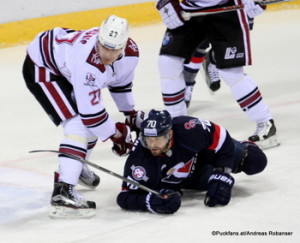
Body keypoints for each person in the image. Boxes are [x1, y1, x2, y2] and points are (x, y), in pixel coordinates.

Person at [22, 15, 144, 218]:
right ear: (99, 38)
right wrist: (116, 135)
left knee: (92, 121)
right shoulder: (87, 62)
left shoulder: (132, 53)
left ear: (124, 45)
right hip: (43, 66)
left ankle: (75, 168)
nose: (107, 53)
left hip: (66, 65)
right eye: (103, 46)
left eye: (114, 49)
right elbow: (91, 116)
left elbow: (121, 83)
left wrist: (129, 112)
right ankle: (64, 190)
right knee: (78, 123)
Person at [155, 0, 279, 149]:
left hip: (227, 9)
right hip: (189, 10)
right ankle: (177, 125)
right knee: (168, 62)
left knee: (231, 72)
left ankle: (265, 122)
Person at [117, 109, 267, 214]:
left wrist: (223, 172)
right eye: (148, 139)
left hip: (206, 154)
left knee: (255, 161)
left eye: (157, 139)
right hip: (192, 179)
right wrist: (150, 202)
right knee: (214, 192)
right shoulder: (139, 161)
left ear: (170, 134)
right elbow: (124, 197)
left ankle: (245, 146)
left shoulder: (188, 128)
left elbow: (220, 137)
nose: (152, 145)